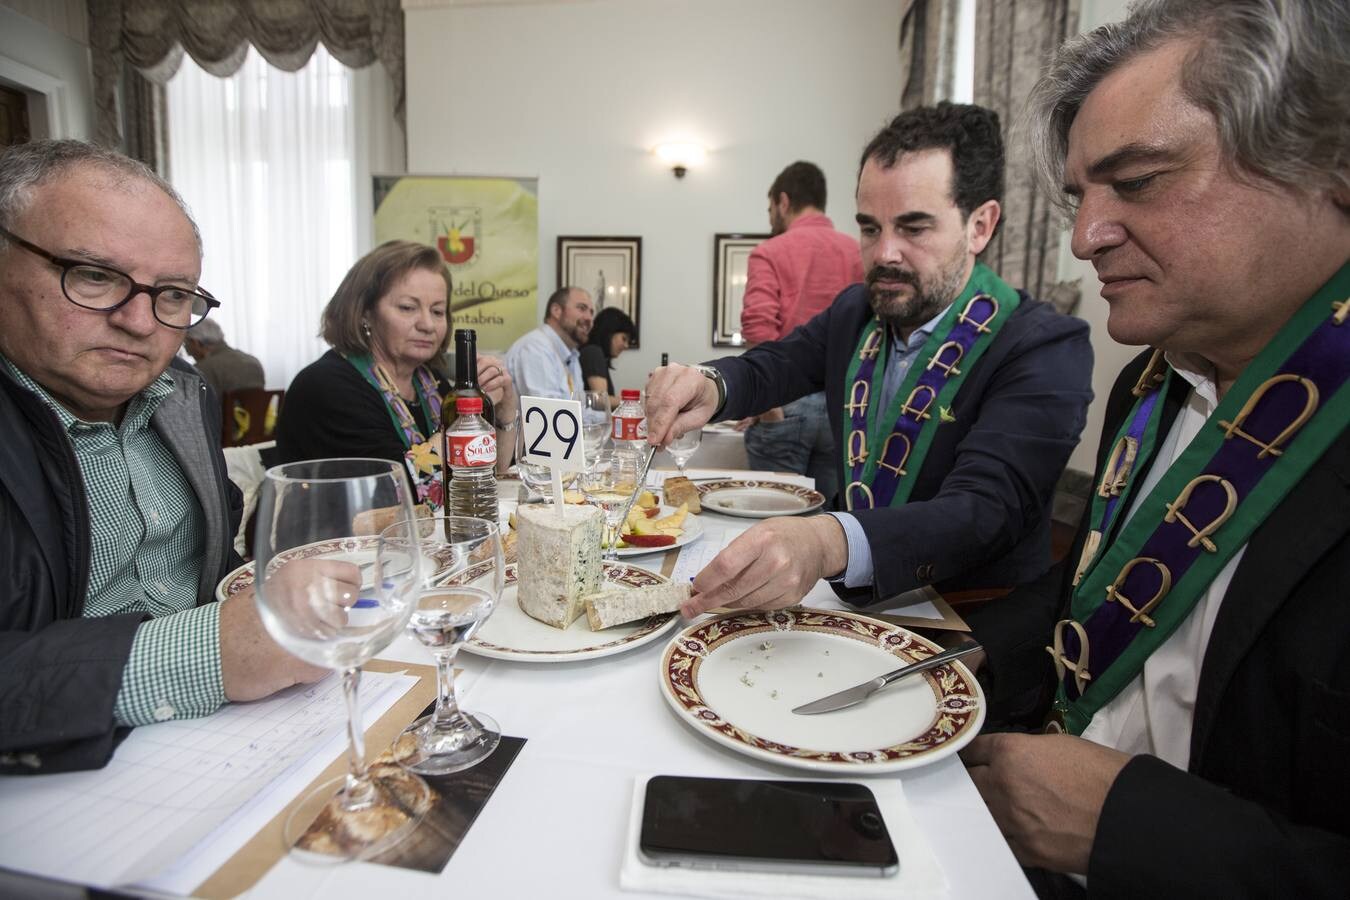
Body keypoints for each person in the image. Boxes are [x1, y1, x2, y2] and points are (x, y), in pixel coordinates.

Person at [959, 1, 1350, 895]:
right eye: (1079, 195)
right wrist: (945, 658)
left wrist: (1131, 829)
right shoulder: (1152, 382)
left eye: (1135, 182)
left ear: (1330, 164)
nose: (1083, 236)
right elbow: (1099, 595)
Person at [645, 103, 1094, 617]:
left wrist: (828, 543)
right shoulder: (855, 312)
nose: (884, 254)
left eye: (914, 229)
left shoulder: (1044, 346)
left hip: (966, 621)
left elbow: (985, 511)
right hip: (850, 604)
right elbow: (774, 365)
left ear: (980, 226)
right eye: (870, 228)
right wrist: (709, 383)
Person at [0, 139, 326, 774]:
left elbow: (215, 563)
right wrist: (206, 652)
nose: (139, 321)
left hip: (240, 740)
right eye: (94, 275)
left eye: (173, 293)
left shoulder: (185, 394)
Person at [276, 241, 518, 509]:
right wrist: (465, 421)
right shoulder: (325, 386)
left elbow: (481, 476)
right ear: (364, 312)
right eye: (407, 307)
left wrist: (506, 409)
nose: (427, 324)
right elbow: (398, 490)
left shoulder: (429, 380)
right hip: (333, 544)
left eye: (437, 311)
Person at [736, 161, 864, 501]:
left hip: (785, 406)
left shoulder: (770, 252)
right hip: (844, 410)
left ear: (783, 201)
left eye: (770, 209)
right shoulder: (857, 251)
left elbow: (758, 327)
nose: (770, 218)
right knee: (830, 528)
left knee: (775, 525)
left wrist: (768, 407)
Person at [505, 286, 593, 400]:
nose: (589, 318)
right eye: (582, 308)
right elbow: (548, 414)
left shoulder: (572, 356)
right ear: (556, 311)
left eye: (591, 312)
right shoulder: (535, 347)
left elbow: (580, 409)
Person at [181, 318, 265, 396]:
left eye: (185, 344)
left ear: (196, 343)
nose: (188, 353)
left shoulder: (201, 369)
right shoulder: (253, 361)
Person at [580, 305, 637, 406]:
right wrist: (635, 402)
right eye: (624, 338)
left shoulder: (596, 354)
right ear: (608, 332)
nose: (626, 346)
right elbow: (600, 400)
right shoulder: (593, 353)